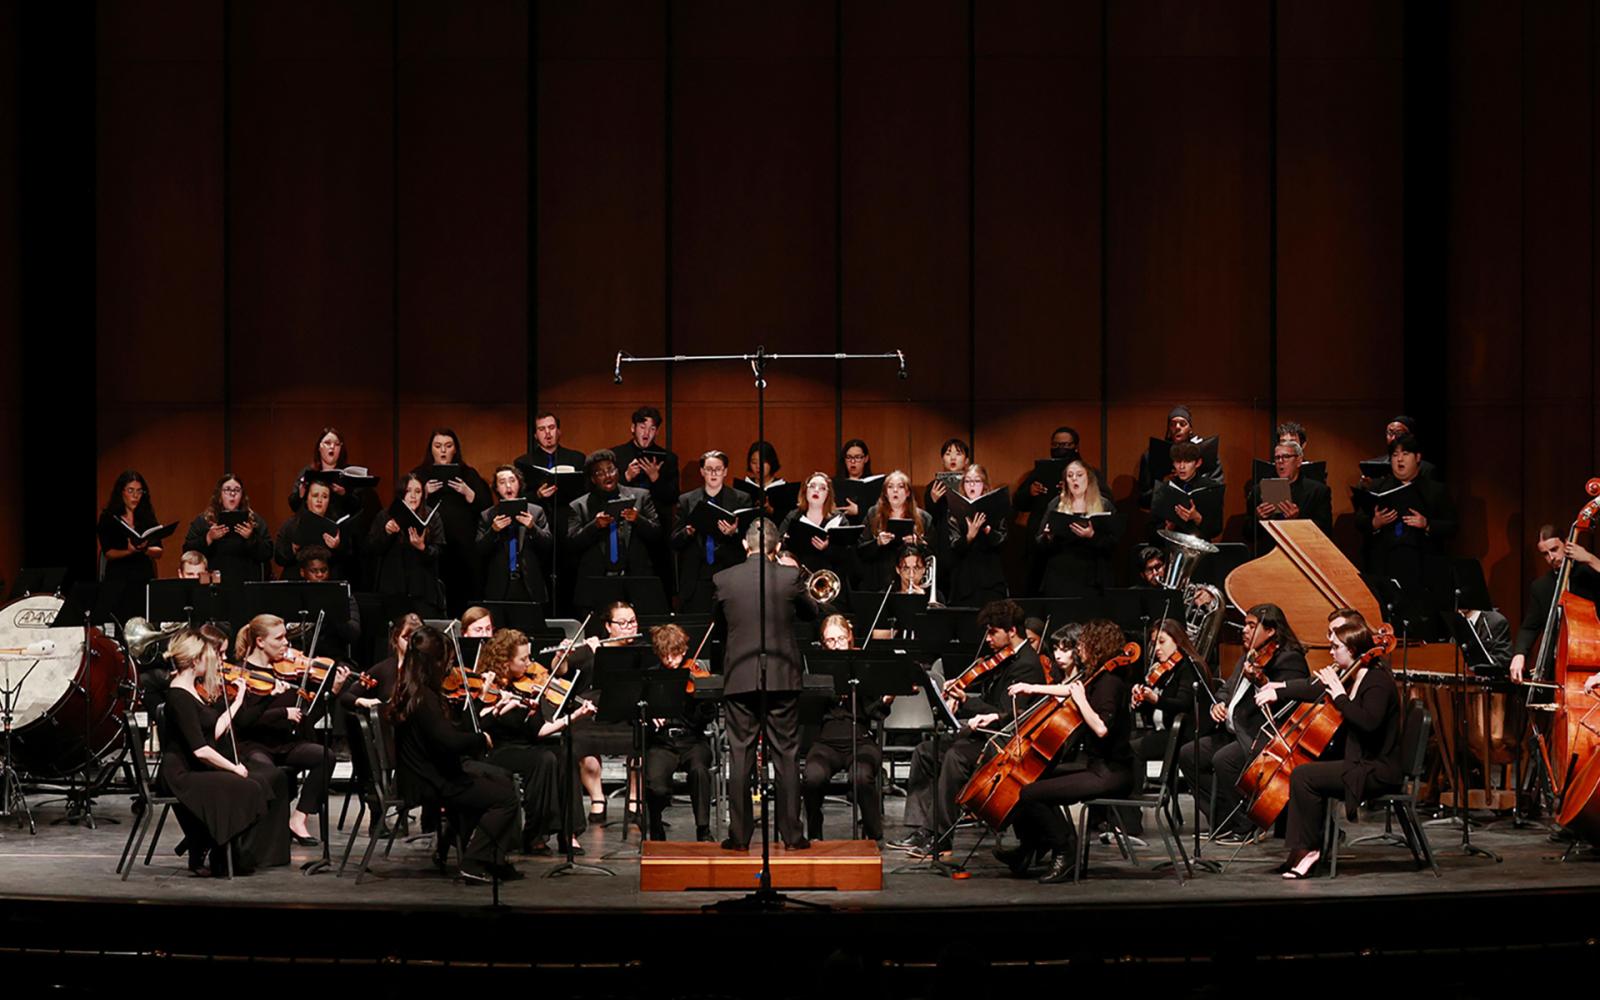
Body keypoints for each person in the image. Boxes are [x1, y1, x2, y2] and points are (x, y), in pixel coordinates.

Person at [892, 599, 1046, 858]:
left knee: (954, 757)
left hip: (1005, 743)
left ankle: (941, 839)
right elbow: (989, 702)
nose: (987, 638)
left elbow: (1008, 716)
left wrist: (966, 702)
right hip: (985, 735)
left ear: (1011, 631)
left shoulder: (1027, 665)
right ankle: (923, 830)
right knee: (925, 751)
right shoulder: (1004, 659)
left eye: (992, 631)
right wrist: (963, 698)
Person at [1253, 612, 1401, 878]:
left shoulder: (1377, 682)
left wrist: (1341, 697)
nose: (1331, 652)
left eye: (1336, 647)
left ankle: (1309, 849)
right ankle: (1303, 848)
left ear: (1353, 650)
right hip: (1359, 761)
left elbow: (1368, 723)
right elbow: (1314, 690)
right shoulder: (1353, 674)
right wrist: (1279, 689)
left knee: (1304, 776)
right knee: (1306, 767)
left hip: (1376, 769)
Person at [995, 619, 1135, 883]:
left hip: (1110, 772)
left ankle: (1065, 851)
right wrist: (1033, 688)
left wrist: (1081, 701)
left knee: (1031, 793)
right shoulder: (1099, 676)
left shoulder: (1110, 683)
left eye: (1082, 644)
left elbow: (1102, 728)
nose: (1078, 649)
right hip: (1097, 767)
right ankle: (1031, 847)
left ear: (1096, 645)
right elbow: (1069, 689)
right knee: (1026, 777)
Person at [713, 518, 818, 850]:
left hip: (740, 675)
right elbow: (812, 613)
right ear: (775, 548)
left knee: (740, 755)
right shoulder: (790, 576)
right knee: (786, 755)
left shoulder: (723, 578)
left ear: (746, 546)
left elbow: (719, 626)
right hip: (782, 676)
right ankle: (793, 836)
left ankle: (740, 837)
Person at [390, 625, 522, 883]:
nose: (450, 669)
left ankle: (493, 859)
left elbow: (446, 733)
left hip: (429, 771)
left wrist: (480, 706)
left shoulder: (414, 690)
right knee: (505, 797)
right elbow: (448, 742)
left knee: (502, 778)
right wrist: (480, 740)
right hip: (429, 781)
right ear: (434, 662)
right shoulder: (424, 698)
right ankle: (475, 861)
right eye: (446, 662)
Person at [157, 629, 290, 876]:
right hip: (181, 775)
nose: (213, 662)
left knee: (255, 782)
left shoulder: (191, 690)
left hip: (193, 768)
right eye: (208, 657)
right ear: (195, 660)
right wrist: (233, 768)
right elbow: (201, 750)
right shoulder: (178, 695)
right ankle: (218, 852)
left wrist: (239, 699)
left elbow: (214, 731)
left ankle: (216, 848)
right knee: (246, 786)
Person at [1176, 603, 1309, 843]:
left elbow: (1288, 704)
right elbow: (1228, 689)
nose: (1244, 631)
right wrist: (1218, 703)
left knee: (1224, 760)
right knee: (1189, 753)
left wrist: (1260, 680)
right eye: (1245, 625)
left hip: (1263, 736)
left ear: (1271, 631)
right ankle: (1224, 819)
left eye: (1251, 625)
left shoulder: (1289, 659)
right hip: (1235, 732)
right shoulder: (1250, 654)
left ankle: (1246, 823)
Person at [233, 614, 353, 846]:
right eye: (279, 638)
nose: (287, 643)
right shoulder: (242, 673)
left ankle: (297, 819)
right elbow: (243, 722)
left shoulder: (287, 672)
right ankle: (266, 831)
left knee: (325, 756)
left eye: (286, 637)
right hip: (254, 744)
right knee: (269, 773)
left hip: (286, 743)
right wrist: (281, 713)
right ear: (260, 642)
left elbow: (306, 719)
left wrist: (334, 691)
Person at [476, 627, 594, 854]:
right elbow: (478, 722)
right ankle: (535, 834)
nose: (530, 664)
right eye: (524, 659)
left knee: (564, 754)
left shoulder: (528, 686)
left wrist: (576, 716)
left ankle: (569, 832)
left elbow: (541, 730)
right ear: (504, 661)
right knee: (545, 758)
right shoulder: (489, 686)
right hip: (500, 750)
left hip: (529, 746)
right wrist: (498, 707)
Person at [802, 614, 891, 842]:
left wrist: (886, 700)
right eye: (830, 641)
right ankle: (814, 831)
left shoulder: (861, 665)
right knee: (812, 777)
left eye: (840, 639)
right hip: (826, 743)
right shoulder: (816, 668)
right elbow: (809, 711)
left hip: (860, 739)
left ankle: (874, 834)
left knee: (861, 776)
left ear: (849, 637)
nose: (836, 645)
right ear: (823, 643)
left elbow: (874, 712)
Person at [1360, 433, 1457, 638]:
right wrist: (1375, 522)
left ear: (1418, 457)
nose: (1399, 459)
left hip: (1421, 569)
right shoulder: (1378, 488)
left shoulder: (1435, 490)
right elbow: (1359, 522)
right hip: (1385, 566)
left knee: (1421, 624)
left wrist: (1427, 524)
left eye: (1405, 454)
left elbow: (1452, 526)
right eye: (1395, 455)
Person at [1118, 618, 1207, 838]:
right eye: (1153, 643)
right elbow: (1155, 712)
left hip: (1184, 734)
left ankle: (1130, 821)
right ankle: (1118, 817)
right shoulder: (1165, 670)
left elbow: (1183, 704)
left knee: (1132, 750)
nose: (1156, 648)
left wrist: (1155, 699)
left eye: (1162, 642)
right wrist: (1140, 701)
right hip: (1165, 732)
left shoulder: (1189, 667)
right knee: (1123, 747)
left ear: (1177, 641)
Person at [641, 623, 716, 842]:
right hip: (663, 743)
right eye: (665, 656)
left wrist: (705, 701)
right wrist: (649, 714)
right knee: (655, 785)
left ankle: (703, 829)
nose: (670, 662)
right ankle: (655, 825)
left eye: (674, 655)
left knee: (700, 771)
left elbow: (708, 718)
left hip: (693, 741)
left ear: (683, 651)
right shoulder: (652, 677)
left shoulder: (696, 674)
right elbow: (639, 710)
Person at [566, 449, 662, 610]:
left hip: (635, 580)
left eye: (611, 470)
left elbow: (657, 534)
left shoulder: (640, 496)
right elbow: (572, 544)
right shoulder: (579, 506)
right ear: (593, 478)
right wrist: (594, 525)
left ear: (618, 471)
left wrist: (638, 519)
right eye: (600, 473)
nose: (608, 475)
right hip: (598, 582)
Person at [412, 429, 492, 615]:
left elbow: (486, 507)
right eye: (438, 446)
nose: (443, 451)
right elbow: (404, 504)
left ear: (455, 449)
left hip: (463, 552)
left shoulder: (468, 474)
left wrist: (467, 492)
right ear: (431, 449)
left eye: (448, 446)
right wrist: (422, 492)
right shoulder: (420, 474)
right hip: (431, 549)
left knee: (463, 599)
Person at [1511, 525, 1600, 683]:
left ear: (1567, 543)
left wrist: (1590, 558)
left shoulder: (1589, 573)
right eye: (1545, 554)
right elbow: (1529, 627)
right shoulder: (1541, 586)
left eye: (1554, 549)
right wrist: (1519, 654)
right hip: (1555, 667)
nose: (1551, 557)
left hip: (1592, 662)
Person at [672, 451, 752, 613]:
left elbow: (750, 540)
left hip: (728, 572)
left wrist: (733, 533)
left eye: (718, 469)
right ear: (702, 472)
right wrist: (688, 531)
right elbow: (674, 540)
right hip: (697, 576)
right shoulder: (686, 500)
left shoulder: (741, 499)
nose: (713, 473)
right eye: (709, 469)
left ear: (725, 472)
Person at [611, 406, 680, 586]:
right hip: (622, 527)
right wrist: (626, 477)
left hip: (656, 528)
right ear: (633, 428)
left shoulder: (668, 458)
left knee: (656, 580)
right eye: (642, 427)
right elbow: (607, 493)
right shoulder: (617, 455)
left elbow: (672, 497)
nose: (646, 433)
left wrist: (655, 478)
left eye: (652, 428)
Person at [1035, 460, 1120, 598]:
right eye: (1070, 475)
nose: (1074, 479)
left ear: (1089, 478)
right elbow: (1039, 540)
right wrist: (1047, 537)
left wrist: (1092, 536)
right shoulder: (1056, 503)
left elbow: (1113, 542)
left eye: (1079, 475)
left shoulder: (1104, 505)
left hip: (1092, 576)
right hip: (1061, 574)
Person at [367, 474, 446, 619]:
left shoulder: (432, 517)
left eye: (418, 491)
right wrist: (387, 533)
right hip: (393, 589)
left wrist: (422, 547)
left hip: (423, 590)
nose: (413, 496)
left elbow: (439, 551)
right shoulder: (385, 516)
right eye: (408, 491)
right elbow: (372, 548)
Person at [476, 464, 552, 607]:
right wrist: (493, 531)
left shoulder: (536, 512)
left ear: (519, 484)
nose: (508, 486)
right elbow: (479, 551)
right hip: (499, 586)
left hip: (529, 584)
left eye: (512, 481)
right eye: (502, 482)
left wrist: (532, 527)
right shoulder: (487, 515)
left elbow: (548, 545)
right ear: (496, 488)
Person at [183, 474, 272, 583]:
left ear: (242, 495)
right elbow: (187, 550)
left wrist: (251, 538)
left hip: (246, 584)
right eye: (227, 490)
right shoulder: (204, 520)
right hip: (213, 584)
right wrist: (208, 538)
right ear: (219, 495)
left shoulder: (254, 521)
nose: (232, 494)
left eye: (237, 490)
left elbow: (267, 553)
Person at [1247, 439, 1333, 550]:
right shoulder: (1259, 490)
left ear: (1299, 461)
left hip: (1304, 552)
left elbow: (1325, 532)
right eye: (1277, 458)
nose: (1280, 461)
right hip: (1268, 554)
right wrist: (1257, 519)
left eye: (1286, 457)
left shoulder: (1318, 491)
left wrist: (1298, 520)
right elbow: (1248, 535)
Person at [857, 471, 934, 592]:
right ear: (886, 493)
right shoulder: (873, 514)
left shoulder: (923, 518)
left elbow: (932, 554)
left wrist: (917, 542)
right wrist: (878, 542)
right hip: (879, 580)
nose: (895, 490)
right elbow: (861, 550)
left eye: (900, 486)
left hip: (911, 581)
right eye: (890, 486)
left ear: (908, 492)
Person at [99, 471, 165, 610]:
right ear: (121, 492)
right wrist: (129, 551)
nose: (135, 496)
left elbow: (159, 552)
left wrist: (145, 549)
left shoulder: (147, 518)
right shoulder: (109, 518)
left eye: (139, 491)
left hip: (142, 576)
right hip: (118, 577)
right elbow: (109, 553)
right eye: (131, 490)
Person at [945, 464, 1008, 607]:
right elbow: (953, 545)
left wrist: (987, 530)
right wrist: (969, 536)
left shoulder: (995, 507)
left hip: (990, 579)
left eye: (977, 481)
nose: (972, 485)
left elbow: (1003, 541)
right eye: (967, 481)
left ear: (984, 485)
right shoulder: (954, 510)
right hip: (964, 580)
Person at [778, 471, 857, 585]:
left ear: (828, 494)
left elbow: (848, 555)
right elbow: (779, 545)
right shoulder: (793, 516)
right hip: (799, 578)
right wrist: (786, 540)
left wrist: (827, 547)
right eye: (812, 486)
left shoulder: (840, 520)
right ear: (806, 491)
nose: (816, 490)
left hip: (830, 578)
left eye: (822, 488)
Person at [1138, 406, 1224, 510]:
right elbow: (1143, 499)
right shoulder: (1152, 455)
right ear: (1169, 429)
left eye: (1182, 424)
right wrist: (1163, 485)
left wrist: (1194, 479)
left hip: (1198, 516)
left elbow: (1217, 494)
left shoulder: (1206, 453)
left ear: (1190, 429)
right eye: (1173, 424)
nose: (1177, 427)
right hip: (1164, 517)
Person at [274, 480, 353, 582]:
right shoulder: (292, 524)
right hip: (296, 583)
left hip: (327, 585)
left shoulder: (336, 526)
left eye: (324, 497)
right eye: (315, 495)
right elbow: (279, 558)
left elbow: (348, 560)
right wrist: (293, 549)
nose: (319, 500)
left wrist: (336, 547)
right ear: (307, 499)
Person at [295, 546, 361, 660]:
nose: (320, 575)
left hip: (333, 658)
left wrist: (332, 608)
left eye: (324, 570)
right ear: (302, 572)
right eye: (314, 571)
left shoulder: (344, 596)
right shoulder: (292, 596)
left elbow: (354, 633)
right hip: (297, 657)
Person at [1148, 441, 1222, 541]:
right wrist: (1168, 528)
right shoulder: (1165, 488)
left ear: (1198, 463)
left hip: (1199, 548)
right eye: (1178, 461)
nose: (1182, 467)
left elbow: (1216, 529)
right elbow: (1151, 530)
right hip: (1170, 546)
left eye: (1187, 461)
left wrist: (1197, 518)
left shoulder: (1211, 488)